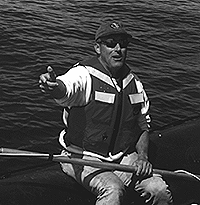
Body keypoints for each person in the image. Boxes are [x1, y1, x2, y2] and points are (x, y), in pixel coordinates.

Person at [39, 21, 173, 205]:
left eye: (123, 44)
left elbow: (143, 125)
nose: (118, 49)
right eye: (111, 43)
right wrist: (54, 87)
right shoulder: (84, 75)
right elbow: (67, 89)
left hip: (121, 156)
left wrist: (142, 158)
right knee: (113, 189)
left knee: (158, 190)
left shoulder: (135, 84)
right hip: (80, 157)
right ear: (97, 47)